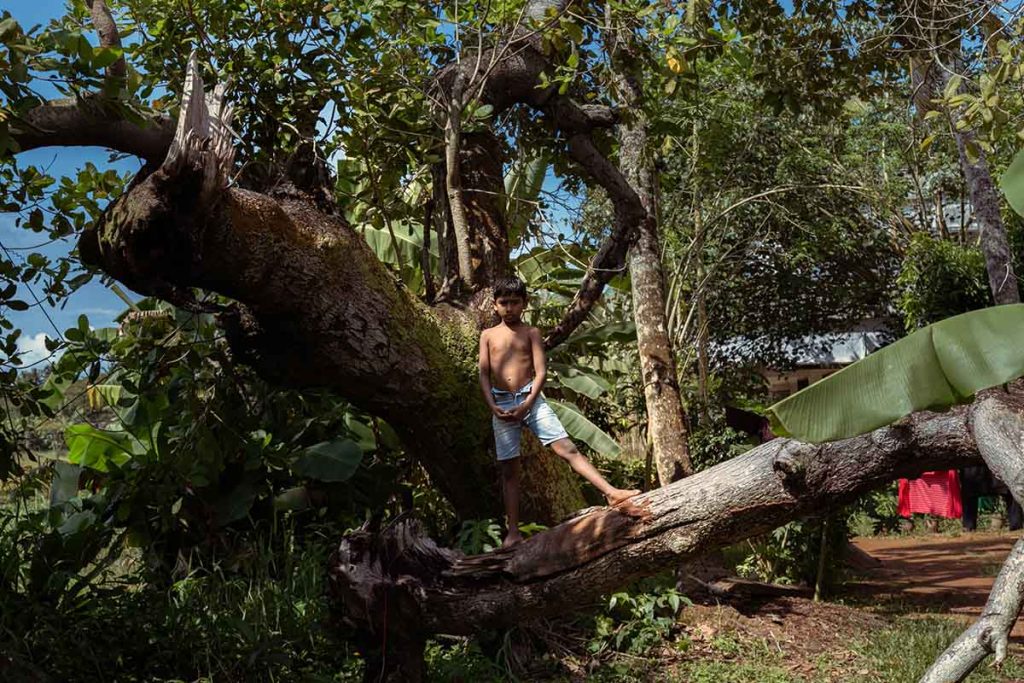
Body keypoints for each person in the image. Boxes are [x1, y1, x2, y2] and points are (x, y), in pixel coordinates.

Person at [478, 277, 640, 548]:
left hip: (531, 400)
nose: (508, 307)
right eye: (503, 303)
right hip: (502, 404)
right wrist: (492, 405)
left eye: (514, 302)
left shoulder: (531, 333)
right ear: (495, 306)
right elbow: (483, 373)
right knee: (509, 469)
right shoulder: (488, 335)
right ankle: (513, 531)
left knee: (567, 448)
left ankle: (611, 493)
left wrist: (528, 403)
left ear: (524, 304)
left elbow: (541, 372)